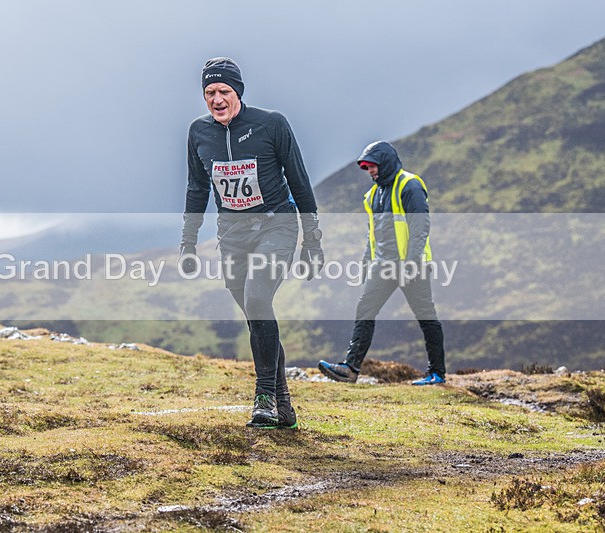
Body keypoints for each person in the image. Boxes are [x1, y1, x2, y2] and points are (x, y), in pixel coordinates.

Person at [180, 57, 324, 428]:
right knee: (254, 314)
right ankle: (284, 404)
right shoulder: (198, 133)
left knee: (258, 298)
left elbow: (300, 182)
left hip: (276, 226)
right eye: (209, 92)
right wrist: (188, 243)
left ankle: (264, 397)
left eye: (224, 91)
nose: (216, 99)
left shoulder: (271, 124)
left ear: (238, 92)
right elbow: (197, 189)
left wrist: (312, 241)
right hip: (231, 234)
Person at [318, 141, 446, 385]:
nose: (370, 172)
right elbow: (373, 233)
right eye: (366, 168)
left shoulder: (410, 185)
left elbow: (420, 227)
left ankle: (437, 373)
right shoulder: (373, 195)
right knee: (365, 309)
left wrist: (412, 262)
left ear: (386, 162)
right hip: (384, 266)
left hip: (412, 266)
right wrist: (367, 263)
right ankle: (350, 368)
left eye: (373, 166)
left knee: (426, 317)